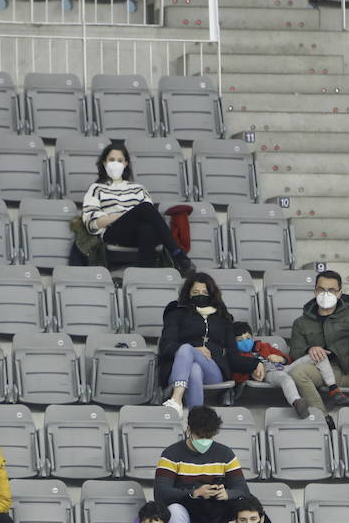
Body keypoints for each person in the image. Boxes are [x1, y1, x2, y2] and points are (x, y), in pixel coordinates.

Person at [78, 141, 195, 275]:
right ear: (104, 163)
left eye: (120, 160)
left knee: (148, 228)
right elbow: (91, 223)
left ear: (126, 163)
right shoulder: (96, 188)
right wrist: (117, 217)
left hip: (137, 233)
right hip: (114, 232)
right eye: (111, 160)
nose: (115, 163)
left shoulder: (138, 189)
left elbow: (151, 218)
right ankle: (178, 255)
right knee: (145, 207)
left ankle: (144, 274)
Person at [288, 269, 349, 413]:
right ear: (315, 291)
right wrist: (309, 349)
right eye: (321, 289)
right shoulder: (301, 322)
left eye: (331, 290)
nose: (326, 293)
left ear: (339, 293)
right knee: (297, 372)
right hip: (325, 372)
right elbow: (295, 351)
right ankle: (322, 416)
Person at [157, 273, 251, 414]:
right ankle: (196, 418)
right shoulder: (176, 313)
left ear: (212, 294)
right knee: (193, 366)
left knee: (188, 349)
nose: (200, 295)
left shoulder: (223, 317)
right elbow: (165, 347)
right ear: (188, 293)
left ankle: (176, 399)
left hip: (213, 370)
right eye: (195, 292)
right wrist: (195, 350)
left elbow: (233, 355)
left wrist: (255, 363)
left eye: (205, 292)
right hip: (178, 369)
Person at [153, 404, 250, 523]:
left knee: (246, 511)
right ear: (188, 430)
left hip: (219, 519)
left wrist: (227, 494)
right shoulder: (171, 454)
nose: (204, 441)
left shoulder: (225, 454)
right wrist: (194, 493)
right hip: (187, 518)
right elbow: (161, 493)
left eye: (209, 436)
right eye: (200, 436)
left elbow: (243, 490)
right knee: (174, 510)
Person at [232, 321, 334, 419]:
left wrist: (281, 359)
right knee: (285, 379)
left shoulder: (264, 346)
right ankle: (297, 403)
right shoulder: (236, 357)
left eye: (248, 338)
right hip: (270, 373)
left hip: (285, 367)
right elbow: (235, 375)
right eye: (240, 340)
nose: (245, 342)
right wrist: (251, 375)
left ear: (252, 337)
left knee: (317, 355)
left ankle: (334, 388)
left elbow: (288, 358)